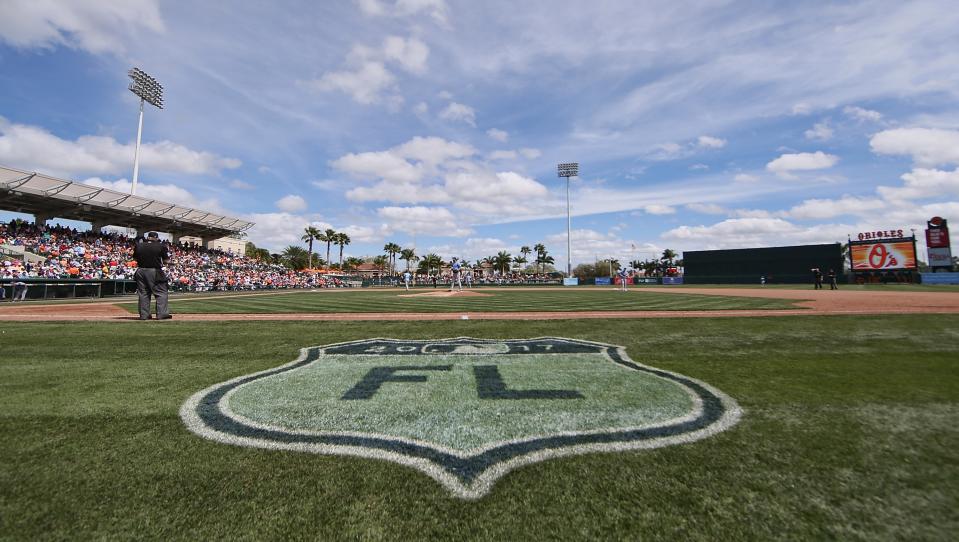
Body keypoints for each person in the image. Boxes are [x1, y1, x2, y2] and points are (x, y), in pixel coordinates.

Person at [133, 231, 171, 320]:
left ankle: (144, 315)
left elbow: (135, 258)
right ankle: (162, 314)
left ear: (148, 237)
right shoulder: (161, 246)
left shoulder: (139, 245)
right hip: (154, 271)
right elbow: (166, 261)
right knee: (161, 292)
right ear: (156, 238)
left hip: (141, 270)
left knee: (144, 293)